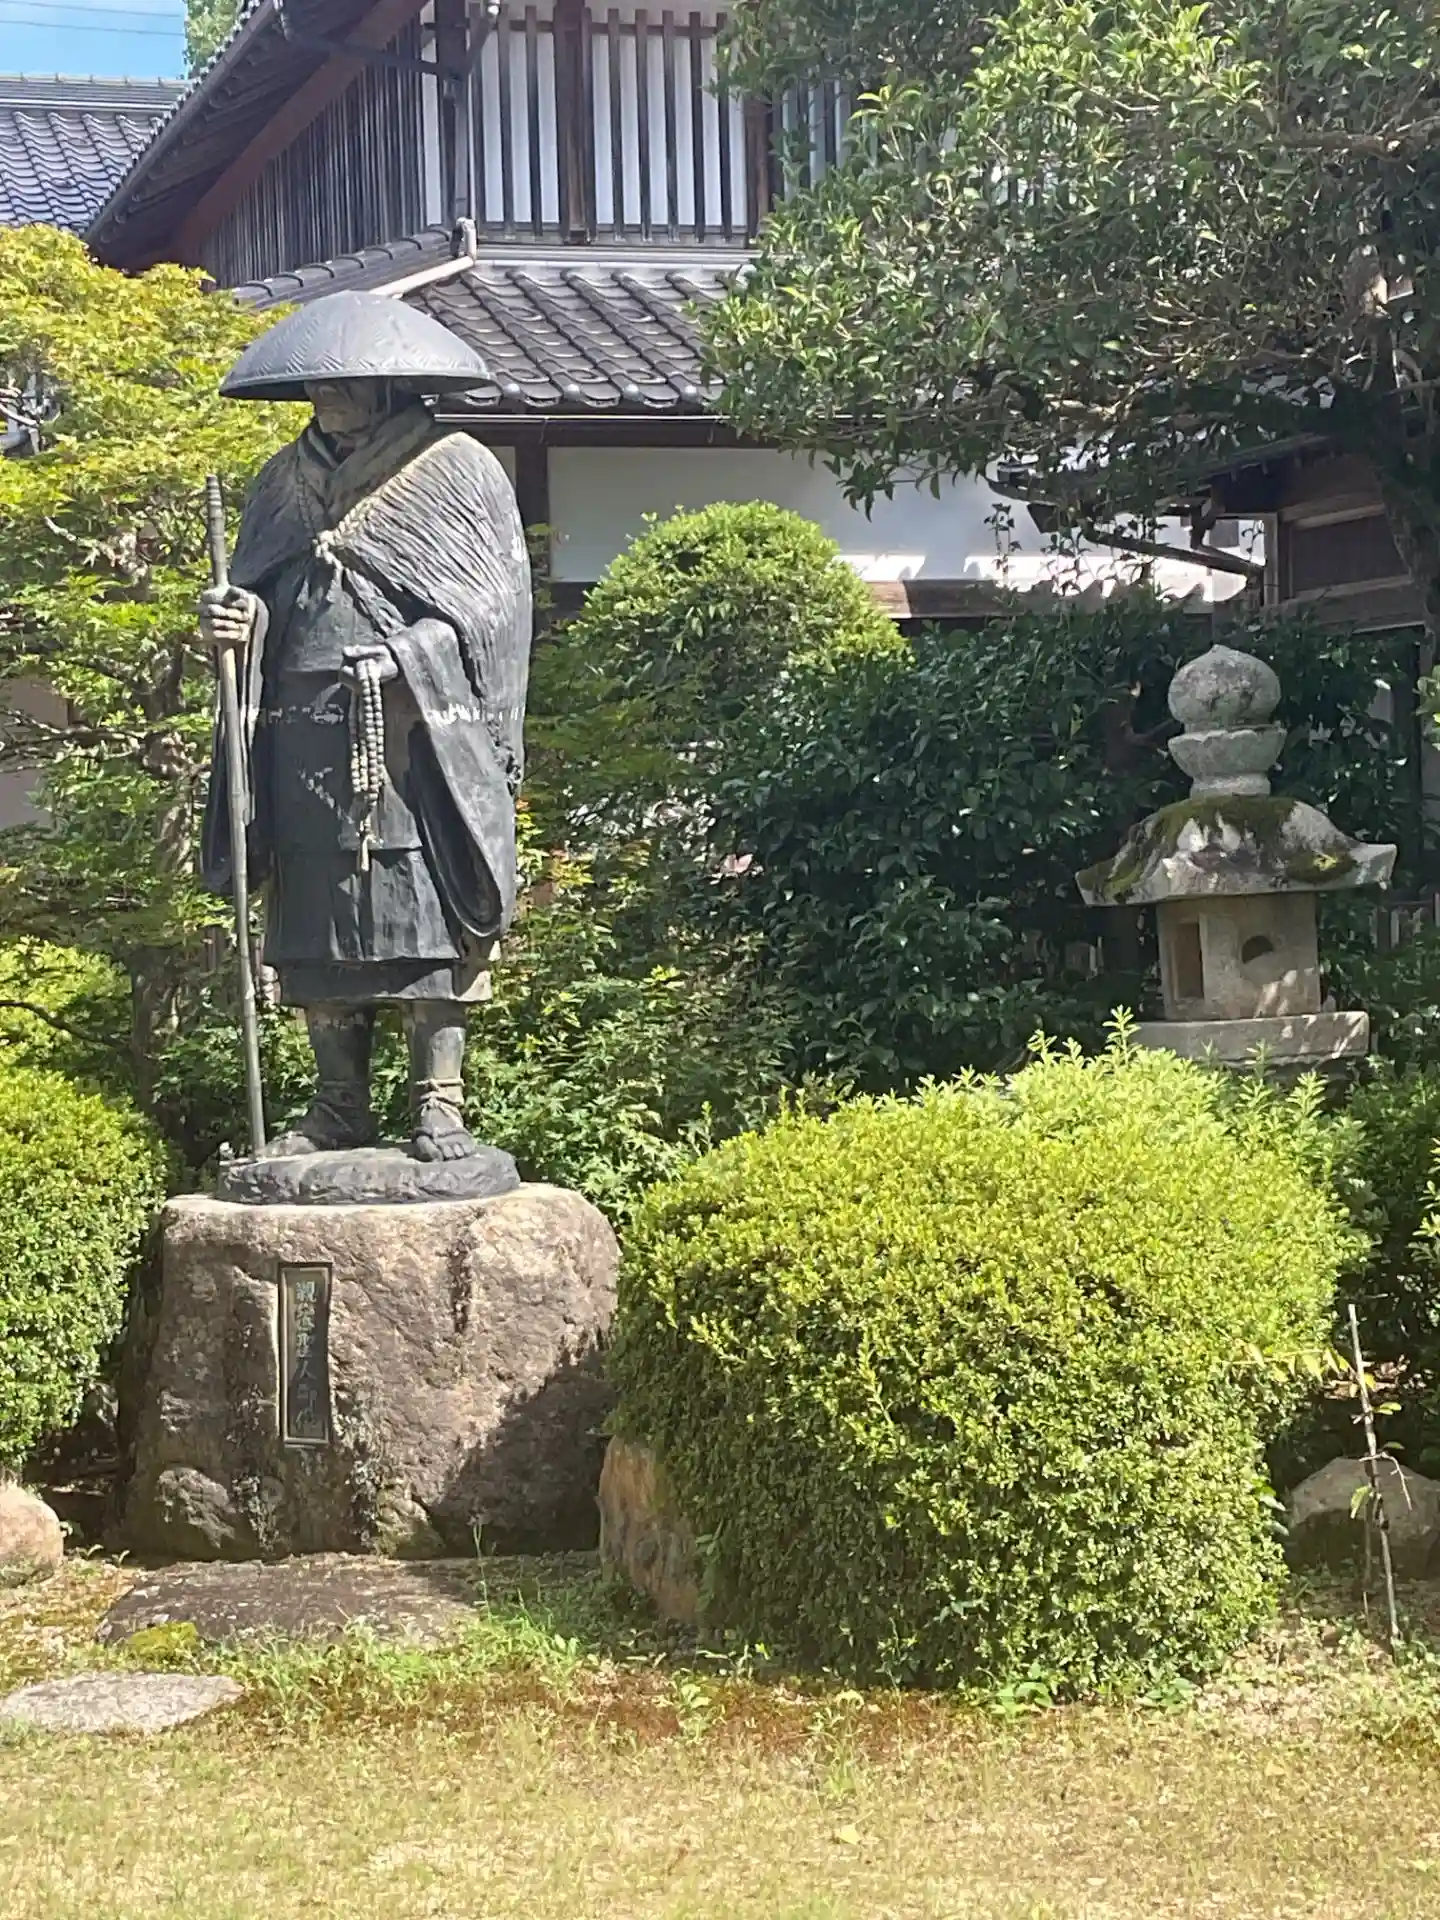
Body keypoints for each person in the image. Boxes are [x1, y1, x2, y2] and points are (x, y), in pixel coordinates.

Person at [200, 291, 531, 1163]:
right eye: (318, 383)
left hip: (415, 735)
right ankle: (337, 1104)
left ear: (392, 383)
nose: (329, 396)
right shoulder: (281, 480)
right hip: (301, 725)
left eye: (347, 382)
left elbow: (491, 612)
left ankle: (439, 1103)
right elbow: (262, 595)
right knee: (317, 916)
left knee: (426, 908)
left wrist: (409, 657)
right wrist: (237, 620)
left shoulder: (456, 469)